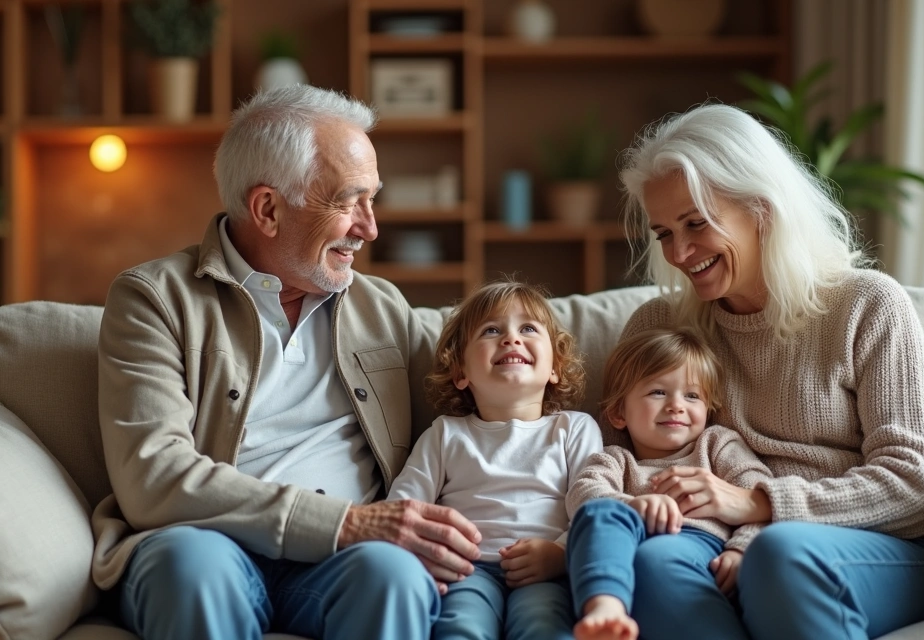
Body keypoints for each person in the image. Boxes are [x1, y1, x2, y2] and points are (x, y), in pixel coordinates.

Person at [91, 84, 485, 640]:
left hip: (345, 564)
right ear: (268, 209)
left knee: (394, 574)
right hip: (209, 545)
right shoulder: (154, 299)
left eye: (373, 199)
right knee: (190, 570)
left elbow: (480, 393)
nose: (370, 228)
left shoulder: (382, 307)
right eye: (349, 201)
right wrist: (344, 524)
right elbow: (153, 476)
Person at [612, 103, 924, 640]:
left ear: (763, 208)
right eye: (663, 233)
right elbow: (613, 462)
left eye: (696, 223)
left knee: (781, 552)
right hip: (719, 543)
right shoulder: (659, 327)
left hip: (871, 547)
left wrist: (759, 506)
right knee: (650, 564)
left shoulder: (867, 305)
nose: (679, 251)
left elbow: (915, 484)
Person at [388, 280, 604, 640]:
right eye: (491, 330)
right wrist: (429, 554)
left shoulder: (574, 429)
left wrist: (560, 554)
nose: (511, 339)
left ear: (555, 368)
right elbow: (404, 507)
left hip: (548, 570)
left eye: (528, 329)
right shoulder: (445, 434)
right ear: (460, 373)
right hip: (466, 572)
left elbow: (595, 504)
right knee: (461, 626)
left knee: (546, 626)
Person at [566, 328, 773, 640]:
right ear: (618, 413)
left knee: (656, 557)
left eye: (692, 396)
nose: (677, 405)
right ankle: (606, 610)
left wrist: (742, 549)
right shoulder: (616, 460)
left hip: (703, 547)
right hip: (624, 552)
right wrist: (632, 506)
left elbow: (759, 495)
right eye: (658, 392)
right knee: (599, 512)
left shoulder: (715, 444)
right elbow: (582, 495)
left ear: (708, 410)